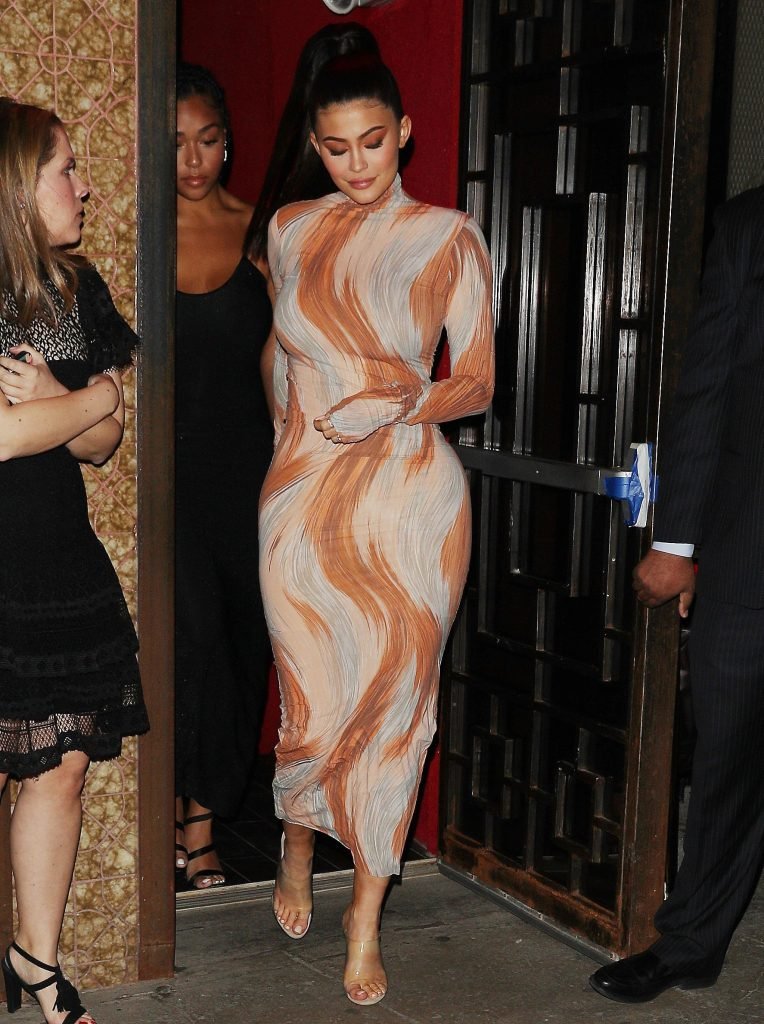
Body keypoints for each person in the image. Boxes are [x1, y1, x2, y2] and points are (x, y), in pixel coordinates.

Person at [260, 55, 494, 1005]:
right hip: (303, 494)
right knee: (311, 696)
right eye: (334, 148)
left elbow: (475, 382)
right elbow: (281, 353)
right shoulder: (289, 228)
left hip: (409, 499)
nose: (356, 164)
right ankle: (296, 842)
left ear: (403, 132)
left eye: (371, 142)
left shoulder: (448, 235)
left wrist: (394, 404)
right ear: (315, 147)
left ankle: (365, 918)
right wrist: (288, 448)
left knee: (397, 709)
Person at [589, 187, 764, 1002]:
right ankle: (691, 943)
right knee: (727, 756)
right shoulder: (750, 224)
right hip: (748, 550)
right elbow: (709, 385)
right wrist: (677, 541)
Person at [0, 98, 149, 1024]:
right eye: (66, 168)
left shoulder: (73, 290)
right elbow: (5, 436)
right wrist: (92, 397)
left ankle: (36, 961)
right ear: (20, 184)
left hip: (58, 566)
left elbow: (102, 445)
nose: (85, 186)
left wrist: (67, 397)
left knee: (59, 766)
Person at [174, 64, 273, 889]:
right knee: (192, 642)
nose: (192, 159)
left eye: (207, 140)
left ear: (228, 143)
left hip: (252, 477)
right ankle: (192, 826)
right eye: (175, 143)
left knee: (246, 645)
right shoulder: (132, 234)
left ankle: (206, 804)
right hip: (166, 482)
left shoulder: (262, 234)